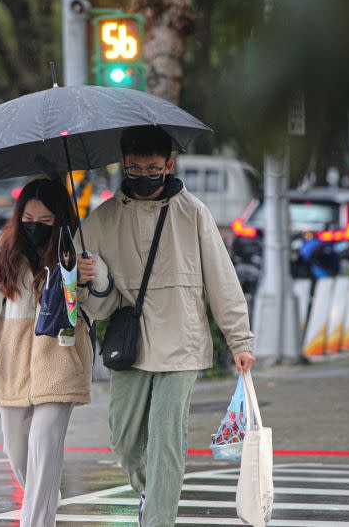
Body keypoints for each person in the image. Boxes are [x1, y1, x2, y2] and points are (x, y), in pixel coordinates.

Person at [77, 126, 256, 527]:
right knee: (124, 443)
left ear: (169, 165)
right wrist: (93, 278)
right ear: (122, 164)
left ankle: (158, 518)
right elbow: (95, 305)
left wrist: (239, 339)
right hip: (131, 346)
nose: (144, 175)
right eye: (135, 168)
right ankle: (152, 495)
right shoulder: (100, 221)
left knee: (165, 443)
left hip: (182, 342)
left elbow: (222, 280)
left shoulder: (193, 213)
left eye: (153, 168)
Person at [0, 178, 94, 527]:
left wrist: (90, 279)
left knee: (45, 444)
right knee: (17, 451)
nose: (35, 227)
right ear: (18, 215)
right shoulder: (3, 253)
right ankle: (44, 498)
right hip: (12, 367)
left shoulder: (75, 252)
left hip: (60, 360)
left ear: (60, 221)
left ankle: (37, 519)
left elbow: (98, 307)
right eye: (28, 218)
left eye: (45, 222)